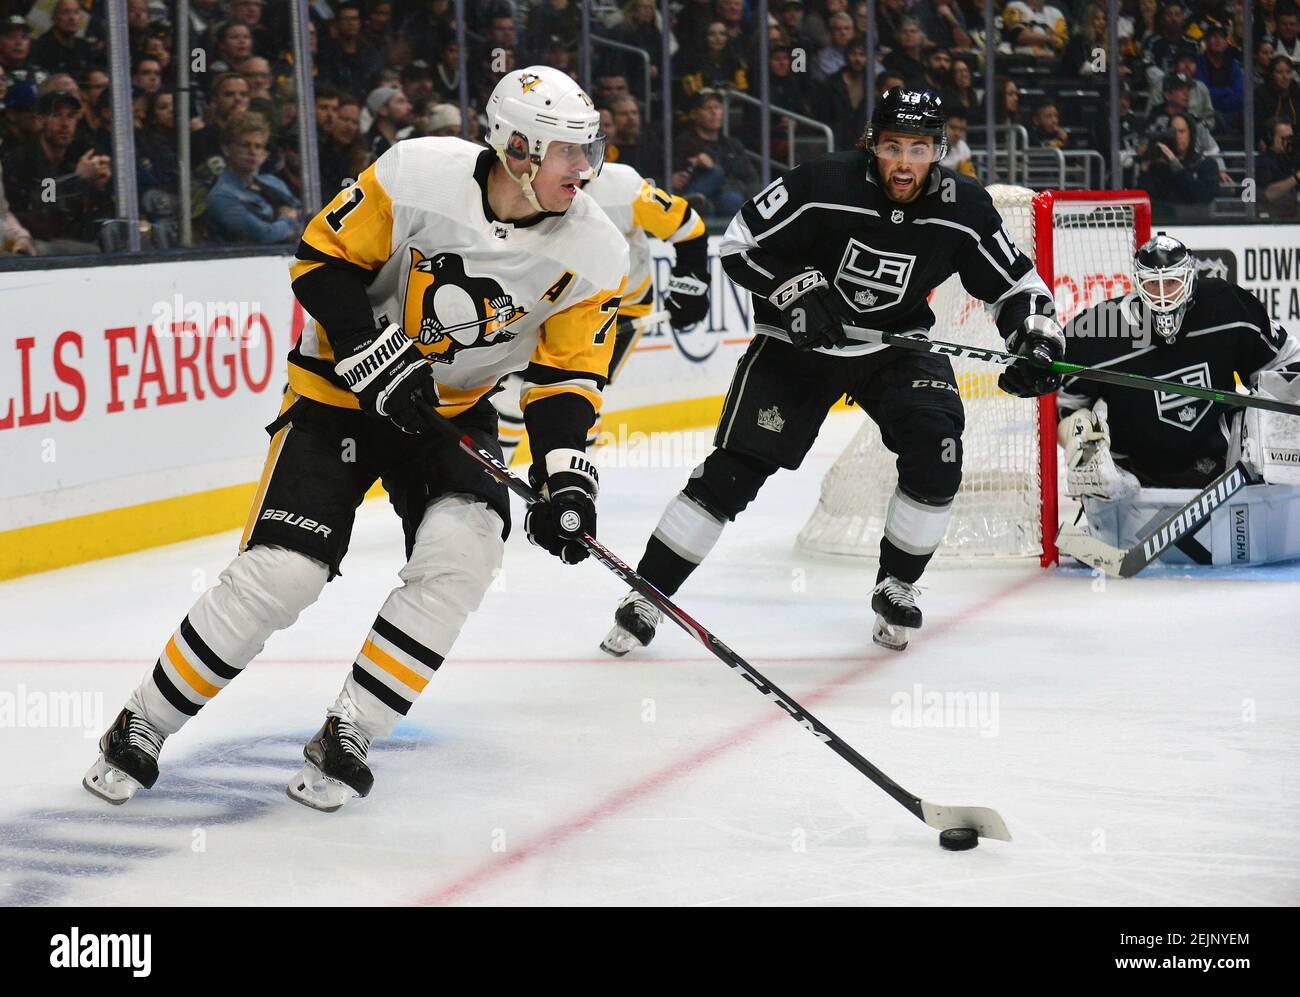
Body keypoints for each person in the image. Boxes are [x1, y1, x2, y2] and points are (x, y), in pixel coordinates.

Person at [83, 66, 629, 813]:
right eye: (568, 150)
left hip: (450, 413)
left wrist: (565, 474)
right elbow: (320, 262)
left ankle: (352, 730)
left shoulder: (595, 250)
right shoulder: (418, 174)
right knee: (285, 573)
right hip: (336, 397)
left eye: (588, 149)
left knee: (465, 551)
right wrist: (370, 350)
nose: (585, 167)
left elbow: (566, 379)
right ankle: (142, 721)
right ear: (517, 150)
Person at [601, 89, 1065, 657]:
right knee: (732, 473)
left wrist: (1035, 337)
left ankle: (897, 585)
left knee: (937, 449)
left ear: (938, 151)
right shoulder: (822, 182)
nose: (903, 163)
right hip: (796, 347)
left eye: (918, 149)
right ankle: (648, 593)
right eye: (892, 147)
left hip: (895, 347)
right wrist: (794, 288)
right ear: (871, 145)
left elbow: (1015, 285)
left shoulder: (963, 205)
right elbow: (739, 244)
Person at [1058, 235, 1300, 566]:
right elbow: (1068, 404)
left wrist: (1274, 432)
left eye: (1171, 283)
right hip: (1136, 484)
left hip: (1224, 468)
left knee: (1271, 411)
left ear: (1189, 279)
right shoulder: (1101, 329)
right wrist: (1081, 444)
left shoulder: (1228, 306)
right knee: (1084, 429)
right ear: (1138, 285)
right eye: (1152, 286)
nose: (1162, 296)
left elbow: (1286, 363)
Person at [495, 160, 710, 457]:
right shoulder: (519, 187)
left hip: (618, 308)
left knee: (578, 395)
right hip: (551, 304)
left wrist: (691, 284)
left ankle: (575, 477)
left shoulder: (623, 188)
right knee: (510, 396)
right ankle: (493, 475)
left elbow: (688, 227)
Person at [1, 88, 113, 255]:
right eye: (56, 115)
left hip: (65, 237)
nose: (65, 123)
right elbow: (43, 216)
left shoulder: (75, 155)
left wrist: (98, 186)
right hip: (26, 240)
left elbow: (84, 217)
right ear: (40, 120)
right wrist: (77, 179)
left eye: (71, 116)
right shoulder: (21, 160)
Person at [205, 111, 301, 244]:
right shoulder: (221, 196)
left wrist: (286, 225)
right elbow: (263, 236)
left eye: (258, 146)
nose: (253, 152)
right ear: (226, 149)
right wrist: (289, 219)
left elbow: (306, 217)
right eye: (245, 145)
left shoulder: (273, 182)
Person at [671, 89, 758, 219]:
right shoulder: (683, 143)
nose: (714, 112)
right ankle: (685, 204)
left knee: (731, 199)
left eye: (717, 107)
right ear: (694, 114)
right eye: (708, 108)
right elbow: (673, 175)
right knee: (710, 200)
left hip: (729, 195)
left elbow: (751, 178)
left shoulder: (732, 145)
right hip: (698, 197)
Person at [1138, 110, 1221, 216]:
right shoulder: (1161, 165)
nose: (1177, 136)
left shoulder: (1207, 164)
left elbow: (1203, 196)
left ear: (1191, 134)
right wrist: (1145, 166)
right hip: (1165, 221)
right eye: (1173, 132)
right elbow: (1148, 199)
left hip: (1198, 221)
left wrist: (1175, 165)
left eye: (1182, 131)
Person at [1257, 116, 1300, 218]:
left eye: (1291, 138)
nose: (1289, 142)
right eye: (1284, 138)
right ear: (1270, 139)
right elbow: (1266, 194)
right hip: (1272, 219)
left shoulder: (1291, 160)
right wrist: (1297, 177)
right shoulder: (1262, 162)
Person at [939, 108, 978, 177]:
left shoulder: (963, 150)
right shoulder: (929, 147)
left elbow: (970, 179)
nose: (957, 134)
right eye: (953, 127)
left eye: (962, 129)